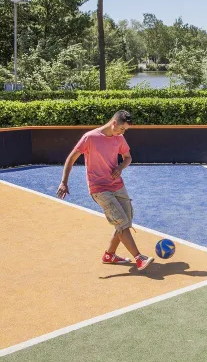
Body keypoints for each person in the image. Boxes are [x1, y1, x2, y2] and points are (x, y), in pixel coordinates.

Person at [56, 110, 154, 271]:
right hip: (99, 188)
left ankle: (109, 255)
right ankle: (139, 258)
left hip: (118, 186)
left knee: (125, 221)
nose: (123, 132)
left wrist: (120, 167)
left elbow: (128, 157)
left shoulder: (119, 138)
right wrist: (64, 182)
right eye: (122, 129)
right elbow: (71, 158)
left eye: (125, 130)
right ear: (114, 123)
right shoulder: (90, 137)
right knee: (122, 223)